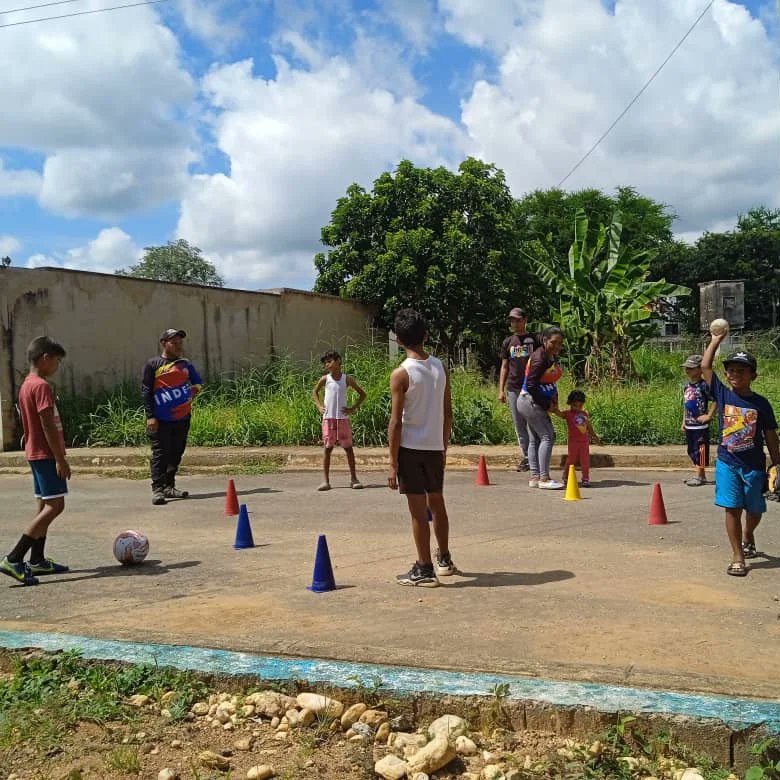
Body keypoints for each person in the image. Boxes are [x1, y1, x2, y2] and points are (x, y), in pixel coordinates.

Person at [701, 334, 780, 576]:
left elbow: (770, 437)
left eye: (742, 371)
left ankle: (749, 533)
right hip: (728, 462)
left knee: (754, 510)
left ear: (753, 375)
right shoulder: (723, 394)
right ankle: (738, 555)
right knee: (732, 508)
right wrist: (715, 340)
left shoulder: (761, 404)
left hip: (754, 466)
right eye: (731, 370)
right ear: (726, 375)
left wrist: (777, 464)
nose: (735, 374)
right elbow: (705, 366)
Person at [388, 309, 455, 587]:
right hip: (434, 446)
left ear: (399, 340)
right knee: (437, 503)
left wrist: (392, 463)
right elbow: (448, 412)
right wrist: (443, 446)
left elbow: (395, 422)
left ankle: (424, 568)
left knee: (418, 511)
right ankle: (444, 559)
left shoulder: (401, 374)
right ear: (425, 335)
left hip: (411, 448)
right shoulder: (440, 366)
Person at [1, 337, 71, 586]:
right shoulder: (41, 386)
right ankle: (14, 557)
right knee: (56, 506)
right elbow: (47, 423)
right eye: (57, 360)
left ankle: (38, 560)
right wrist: (60, 458)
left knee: (44, 506)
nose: (57, 366)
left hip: (35, 452)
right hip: (45, 454)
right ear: (45, 358)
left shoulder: (26, 385)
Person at [141, 329, 203, 506]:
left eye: (180, 343)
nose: (178, 346)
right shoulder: (153, 364)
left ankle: (169, 486)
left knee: (176, 452)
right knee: (161, 453)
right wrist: (150, 416)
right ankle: (158, 489)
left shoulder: (185, 364)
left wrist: (188, 397)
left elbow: (198, 383)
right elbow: (146, 391)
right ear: (163, 344)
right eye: (173, 343)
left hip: (182, 418)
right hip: (160, 419)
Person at [515, 326, 565, 489]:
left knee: (535, 439)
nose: (557, 346)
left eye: (560, 343)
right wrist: (546, 405)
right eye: (553, 342)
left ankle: (535, 477)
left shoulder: (548, 356)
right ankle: (544, 478)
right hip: (530, 401)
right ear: (544, 340)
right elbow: (531, 385)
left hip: (526, 401)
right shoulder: (540, 358)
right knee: (548, 436)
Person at [312, 350, 366, 491]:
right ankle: (326, 481)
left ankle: (354, 479)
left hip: (342, 419)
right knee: (328, 449)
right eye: (325, 363)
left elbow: (362, 394)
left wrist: (352, 408)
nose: (327, 365)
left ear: (338, 361)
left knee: (348, 449)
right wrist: (319, 406)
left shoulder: (346, 379)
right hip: (328, 418)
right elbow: (315, 392)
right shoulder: (325, 379)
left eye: (330, 361)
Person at [498, 307, 540, 472]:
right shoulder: (508, 342)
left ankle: (536, 455)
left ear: (525, 320)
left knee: (532, 423)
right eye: (512, 320)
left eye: (517, 319)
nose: (514, 323)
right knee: (519, 424)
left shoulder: (535, 339)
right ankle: (527, 458)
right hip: (513, 388)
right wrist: (501, 390)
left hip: (531, 388)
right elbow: (504, 366)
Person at [680, 354, 717, 487]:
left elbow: (716, 400)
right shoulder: (686, 386)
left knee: (701, 450)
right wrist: (684, 421)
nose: (688, 370)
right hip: (690, 424)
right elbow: (687, 404)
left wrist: (709, 416)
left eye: (691, 368)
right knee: (691, 450)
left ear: (700, 369)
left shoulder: (704, 386)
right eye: (686, 368)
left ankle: (700, 475)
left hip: (700, 426)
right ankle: (699, 474)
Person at [553, 389, 601, 487]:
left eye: (580, 406)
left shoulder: (584, 414)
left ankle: (585, 479)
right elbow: (559, 414)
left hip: (584, 442)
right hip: (573, 442)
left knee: (585, 460)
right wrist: (554, 408)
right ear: (570, 404)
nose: (577, 408)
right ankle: (566, 476)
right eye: (575, 405)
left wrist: (594, 436)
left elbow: (589, 426)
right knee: (571, 460)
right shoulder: (567, 414)